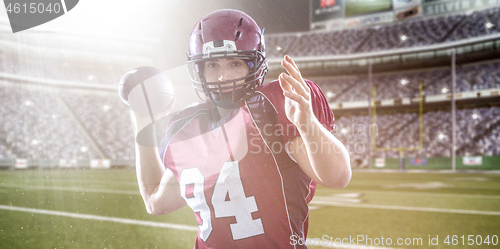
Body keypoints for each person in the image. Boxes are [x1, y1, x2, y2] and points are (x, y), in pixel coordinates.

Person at [129, 9, 351, 249]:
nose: (223, 76)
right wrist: (142, 125)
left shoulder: (272, 106)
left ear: (254, 64)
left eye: (235, 63)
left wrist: (308, 124)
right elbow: (155, 202)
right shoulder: (186, 126)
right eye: (212, 64)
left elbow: (338, 177)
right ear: (199, 69)